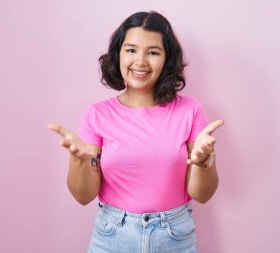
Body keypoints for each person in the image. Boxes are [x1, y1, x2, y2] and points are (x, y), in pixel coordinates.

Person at [49, 11, 224, 253]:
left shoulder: (190, 110)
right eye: (131, 50)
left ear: (167, 59)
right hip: (112, 237)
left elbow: (202, 195)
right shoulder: (97, 115)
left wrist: (204, 163)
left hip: (175, 237)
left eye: (153, 52)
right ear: (118, 54)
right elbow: (84, 196)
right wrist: (79, 162)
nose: (140, 61)